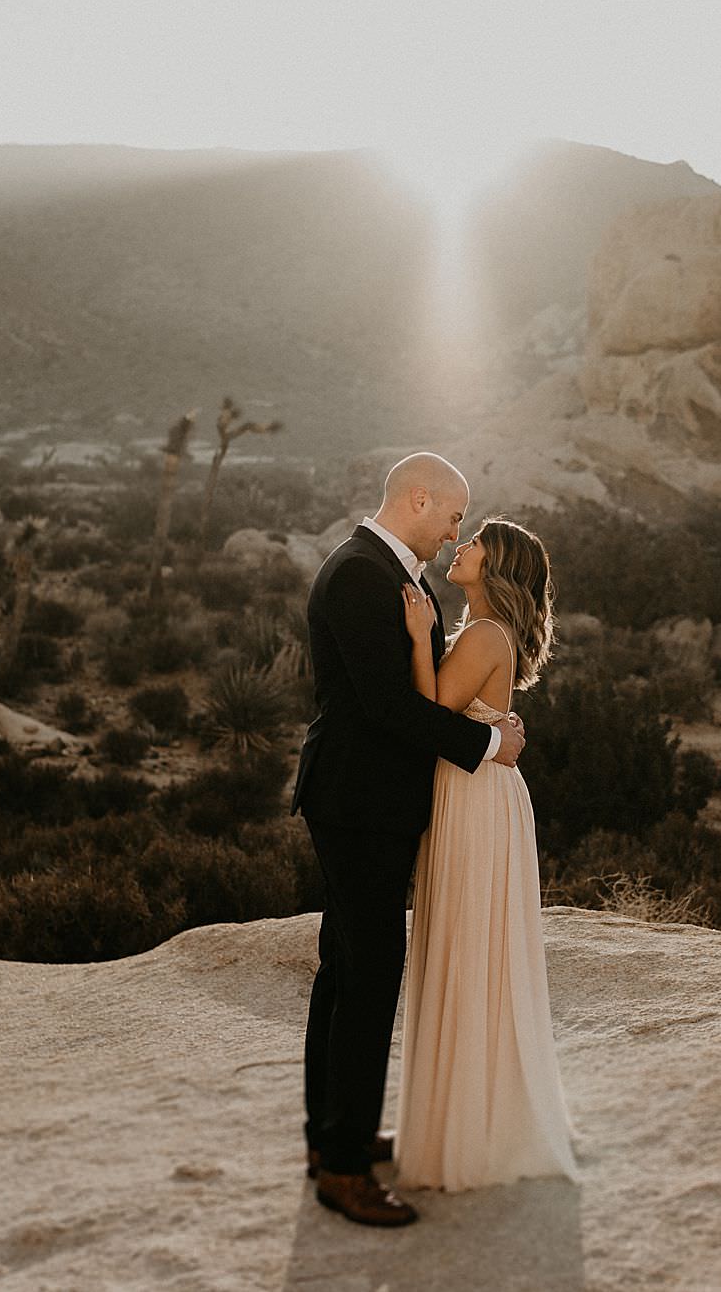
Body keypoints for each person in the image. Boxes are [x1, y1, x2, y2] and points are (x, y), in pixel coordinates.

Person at [292, 452, 527, 1228]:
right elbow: (391, 707)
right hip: (359, 801)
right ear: (419, 500)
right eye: (454, 515)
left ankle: (332, 1139)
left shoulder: (392, 573)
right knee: (368, 979)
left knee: (344, 968)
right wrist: (491, 748)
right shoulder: (362, 573)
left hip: (366, 800)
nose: (458, 530)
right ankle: (347, 1168)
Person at [393, 517, 578, 1192]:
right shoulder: (485, 632)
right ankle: (465, 1115)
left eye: (475, 544)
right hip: (477, 784)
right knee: (471, 946)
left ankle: (467, 1131)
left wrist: (417, 638)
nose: (461, 547)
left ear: (495, 568)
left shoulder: (482, 633)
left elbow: (430, 707)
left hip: (473, 792)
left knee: (468, 948)